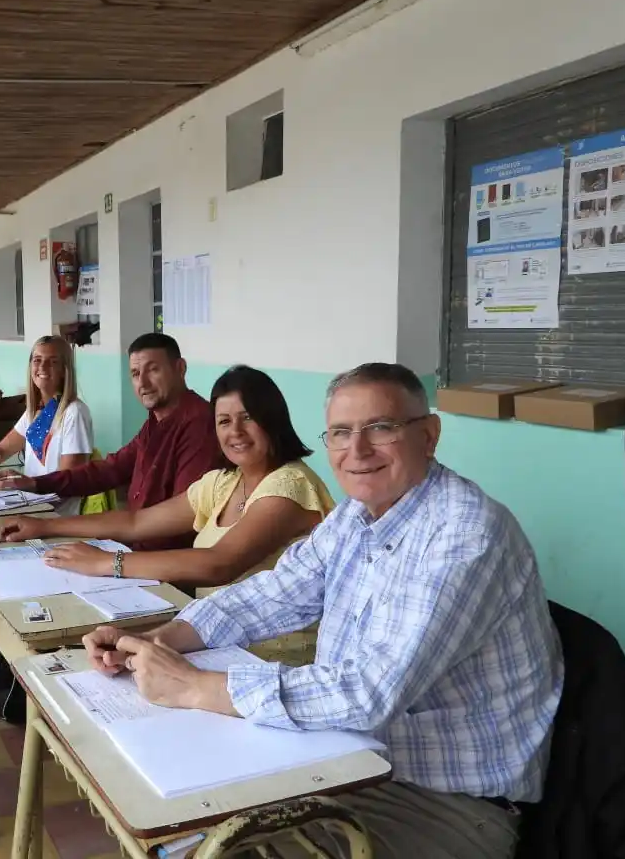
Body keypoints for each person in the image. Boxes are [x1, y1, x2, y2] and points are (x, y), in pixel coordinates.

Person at [83, 363, 564, 859]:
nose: (357, 451)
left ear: (429, 434)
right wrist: (163, 639)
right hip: (344, 761)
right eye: (340, 432)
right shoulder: (357, 515)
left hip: (443, 801)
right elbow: (273, 592)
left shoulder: (465, 533)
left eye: (381, 428)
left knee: (220, 851)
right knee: (174, 825)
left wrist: (195, 686)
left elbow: (370, 693)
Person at [1, 366, 333, 618]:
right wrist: (44, 526)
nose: (236, 432)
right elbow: (136, 523)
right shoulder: (223, 482)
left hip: (272, 655)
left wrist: (108, 562)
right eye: (224, 421)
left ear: (273, 421)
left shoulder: (290, 485)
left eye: (248, 418)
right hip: (211, 630)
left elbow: (220, 564)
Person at [0, 333, 222, 550]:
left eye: (153, 370)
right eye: (134, 373)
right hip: (133, 548)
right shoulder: (156, 422)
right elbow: (110, 470)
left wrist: (47, 526)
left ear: (180, 369)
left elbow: (172, 523)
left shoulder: (198, 424)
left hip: (162, 565)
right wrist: (34, 484)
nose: (143, 382)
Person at [0, 335, 93, 515]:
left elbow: (70, 481)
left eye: (52, 362)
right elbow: (2, 452)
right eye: (37, 360)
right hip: (30, 506)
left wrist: (26, 485)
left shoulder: (75, 412)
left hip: (54, 515)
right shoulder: (35, 411)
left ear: (64, 370)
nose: (42, 367)